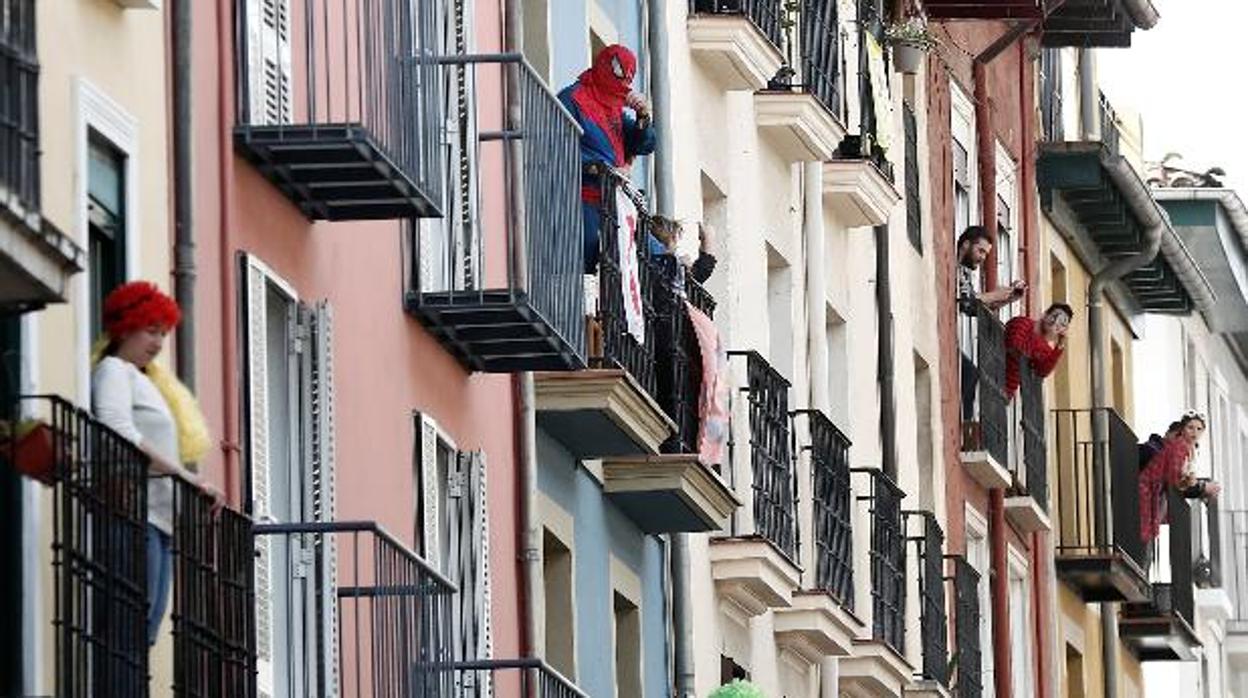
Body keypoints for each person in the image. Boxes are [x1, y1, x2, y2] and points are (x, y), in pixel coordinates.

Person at [91, 281, 221, 646]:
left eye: (163, 333)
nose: (159, 343)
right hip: (133, 514)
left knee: (143, 632)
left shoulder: (150, 383)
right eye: (151, 330)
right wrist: (184, 476)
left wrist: (191, 483)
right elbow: (116, 429)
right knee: (127, 631)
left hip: (159, 522)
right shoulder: (114, 371)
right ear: (124, 327)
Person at [558, 45, 657, 273]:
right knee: (588, 263)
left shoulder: (614, 108)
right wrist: (601, 169)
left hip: (611, 202)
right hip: (582, 198)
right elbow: (557, 148)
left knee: (624, 262)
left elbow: (645, 144)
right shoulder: (574, 99)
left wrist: (643, 116)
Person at [1138, 412, 1220, 550]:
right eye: (1190, 427)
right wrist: (1201, 488)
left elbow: (1179, 479)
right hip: (1147, 497)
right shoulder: (1179, 446)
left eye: (1199, 429)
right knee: (1143, 548)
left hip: (1152, 499)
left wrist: (1197, 486)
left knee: (1145, 549)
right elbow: (1174, 480)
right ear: (1182, 429)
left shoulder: (1188, 449)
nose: (1194, 432)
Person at [1004, 303, 1071, 399]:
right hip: (991, 373)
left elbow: (1042, 371)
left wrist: (1059, 346)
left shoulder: (1046, 349)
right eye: (1054, 316)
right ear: (1045, 315)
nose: (1056, 323)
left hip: (1005, 392)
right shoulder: (1023, 323)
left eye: (1062, 324)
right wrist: (1032, 360)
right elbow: (1014, 346)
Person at [956, 225, 1027, 313]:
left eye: (985, 254)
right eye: (981, 251)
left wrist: (1008, 298)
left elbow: (972, 308)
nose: (983, 257)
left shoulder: (964, 272)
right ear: (966, 244)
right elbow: (964, 302)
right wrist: (994, 296)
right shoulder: (952, 265)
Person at [650, 216, 717, 285]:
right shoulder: (664, 264)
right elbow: (699, 274)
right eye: (675, 240)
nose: (676, 247)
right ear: (671, 238)